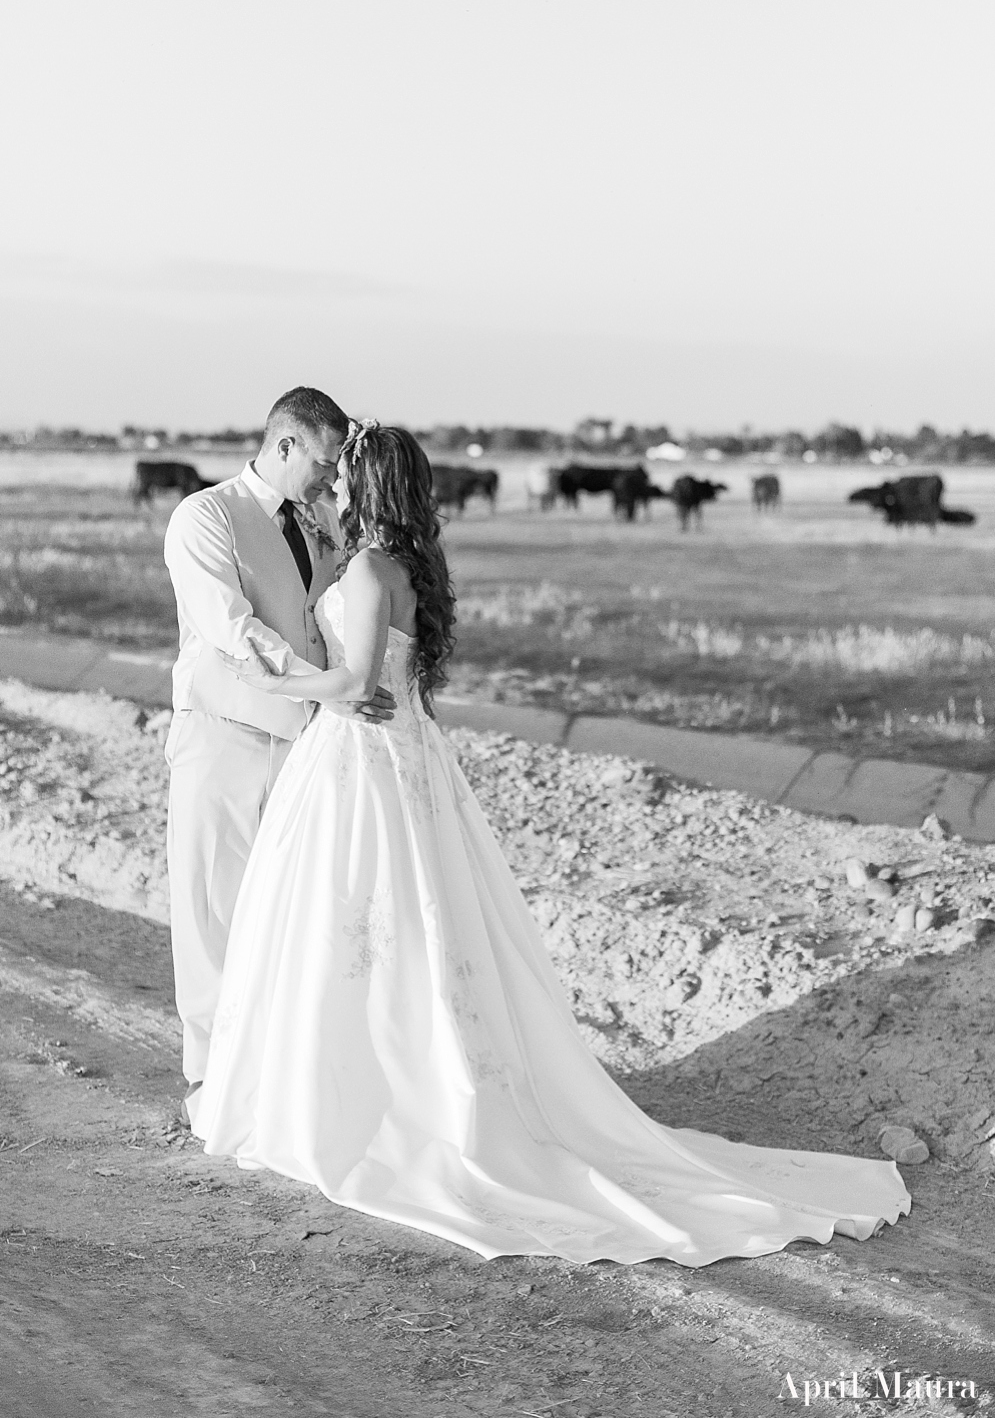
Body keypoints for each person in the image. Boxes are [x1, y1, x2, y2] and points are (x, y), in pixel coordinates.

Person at [190, 420, 910, 1266]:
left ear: (367, 483)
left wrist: (272, 678)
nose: (333, 488)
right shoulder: (409, 563)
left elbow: (352, 684)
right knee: (399, 923)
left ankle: (351, 1094)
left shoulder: (366, 567)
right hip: (406, 756)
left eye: (343, 475)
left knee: (347, 919)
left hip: (359, 756)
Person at [162, 387, 395, 1118]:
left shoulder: (323, 520)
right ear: (285, 444)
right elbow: (235, 634)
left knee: (287, 919)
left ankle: (276, 1079)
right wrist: (330, 689)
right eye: (323, 465)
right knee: (212, 913)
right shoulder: (204, 517)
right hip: (222, 738)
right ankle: (209, 1085)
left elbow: (329, 620)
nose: (331, 482)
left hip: (305, 750)